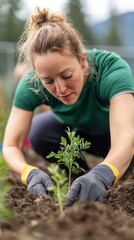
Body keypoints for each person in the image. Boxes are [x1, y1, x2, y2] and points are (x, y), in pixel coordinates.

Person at [2, 7, 134, 206]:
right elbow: (11, 145)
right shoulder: (31, 83)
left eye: (66, 76)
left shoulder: (111, 70)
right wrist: (28, 173)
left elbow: (126, 136)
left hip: (115, 136)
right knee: (39, 130)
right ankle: (80, 179)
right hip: (78, 135)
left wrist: (103, 174)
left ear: (82, 61)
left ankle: (116, 173)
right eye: (48, 81)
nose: (60, 88)